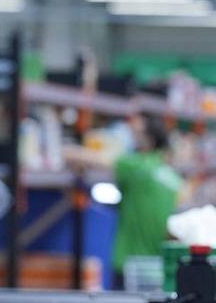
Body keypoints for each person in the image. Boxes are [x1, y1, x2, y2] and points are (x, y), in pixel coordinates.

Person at [61, 113, 183, 289]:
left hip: (130, 262)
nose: (130, 136)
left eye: (135, 133)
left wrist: (65, 151)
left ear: (148, 139)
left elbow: (98, 160)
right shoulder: (171, 176)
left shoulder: (138, 167)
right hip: (157, 264)